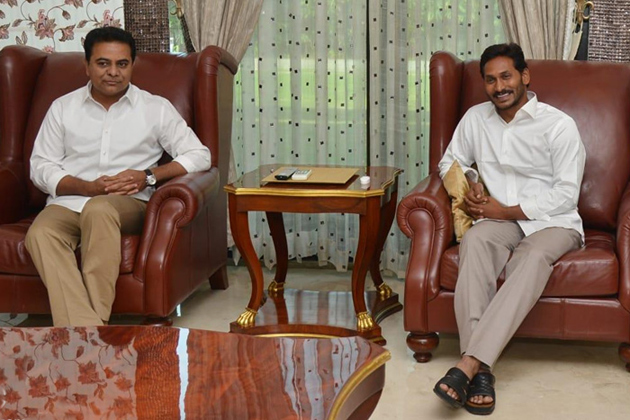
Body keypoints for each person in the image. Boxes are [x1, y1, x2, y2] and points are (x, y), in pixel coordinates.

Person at [432, 43, 585, 415]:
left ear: (524, 76)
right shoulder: (475, 119)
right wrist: (472, 181)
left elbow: (566, 194)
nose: (499, 86)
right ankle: (481, 372)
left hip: (554, 222)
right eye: (490, 80)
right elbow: (449, 162)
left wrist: (505, 209)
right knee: (475, 240)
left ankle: (469, 363)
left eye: (506, 76)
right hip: (498, 222)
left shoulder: (559, 125)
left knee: (531, 258)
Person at [25, 27, 211, 327]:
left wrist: (148, 176)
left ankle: (87, 331)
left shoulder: (155, 108)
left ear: (132, 65)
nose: (113, 72)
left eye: (122, 64)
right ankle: (91, 331)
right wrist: (85, 187)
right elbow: (41, 166)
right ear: (87, 66)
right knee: (40, 233)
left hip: (128, 203)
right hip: (69, 201)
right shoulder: (62, 108)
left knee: (100, 210)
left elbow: (200, 155)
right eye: (103, 63)